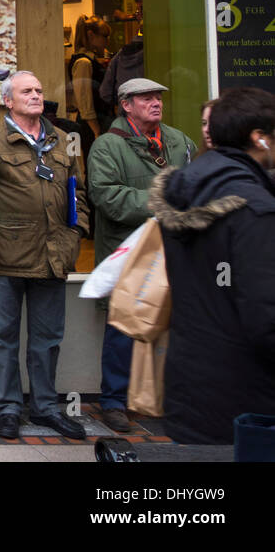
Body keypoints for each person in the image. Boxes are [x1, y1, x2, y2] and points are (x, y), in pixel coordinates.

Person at [0, 70, 90, 440]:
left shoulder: (62, 140)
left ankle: (46, 408)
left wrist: (77, 232)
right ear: (8, 101)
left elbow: (78, 191)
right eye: (27, 91)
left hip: (53, 255)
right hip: (5, 255)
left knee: (48, 338)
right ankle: (9, 408)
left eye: (39, 89)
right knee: (3, 337)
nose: (36, 95)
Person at [149, 86, 275, 444]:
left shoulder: (187, 189)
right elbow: (266, 315)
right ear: (259, 138)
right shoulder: (255, 209)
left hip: (190, 384)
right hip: (248, 399)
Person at [86, 77, 195, 433]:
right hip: (130, 252)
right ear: (126, 104)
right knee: (124, 327)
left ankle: (172, 399)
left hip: (179, 247)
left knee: (178, 326)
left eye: (158, 97)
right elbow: (107, 197)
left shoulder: (180, 141)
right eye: (145, 97)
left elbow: (198, 184)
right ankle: (114, 402)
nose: (155, 102)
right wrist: (164, 203)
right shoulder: (106, 147)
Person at [66, 15, 114, 157]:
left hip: (95, 124)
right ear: (91, 36)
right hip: (91, 126)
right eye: (105, 36)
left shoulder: (89, 60)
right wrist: (97, 132)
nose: (107, 41)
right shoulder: (83, 63)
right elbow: (84, 102)